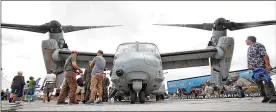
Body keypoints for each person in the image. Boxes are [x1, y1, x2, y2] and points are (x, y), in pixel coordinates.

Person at [246, 36, 276, 103]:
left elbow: (265, 55)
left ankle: (273, 97)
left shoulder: (259, 45)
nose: (245, 41)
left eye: (246, 40)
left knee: (267, 81)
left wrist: (268, 65)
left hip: (261, 67)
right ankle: (266, 97)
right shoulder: (249, 48)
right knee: (259, 83)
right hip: (254, 69)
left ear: (249, 40)